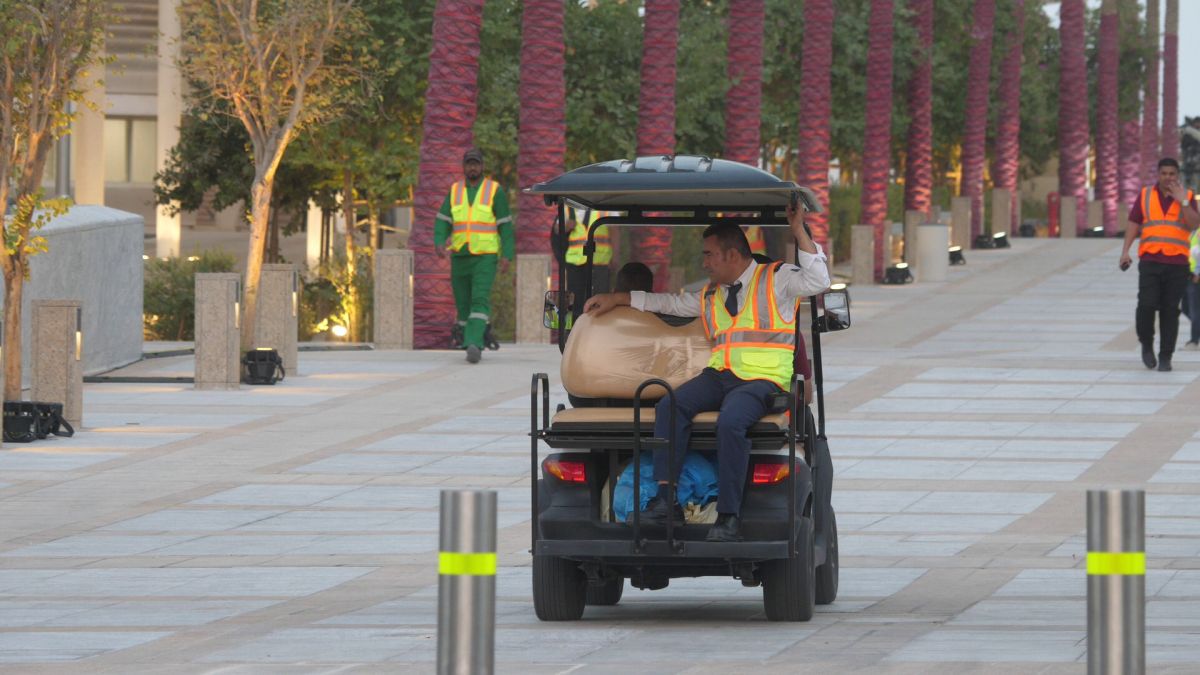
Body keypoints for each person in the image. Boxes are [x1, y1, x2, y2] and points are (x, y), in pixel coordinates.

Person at [584, 203, 829, 542]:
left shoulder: (777, 279)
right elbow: (668, 304)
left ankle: (728, 515)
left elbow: (819, 279)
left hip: (763, 380)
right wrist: (618, 298)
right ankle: (665, 499)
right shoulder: (711, 294)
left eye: (709, 255)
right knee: (670, 404)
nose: (704, 262)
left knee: (731, 420)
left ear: (731, 255)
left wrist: (799, 230)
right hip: (721, 375)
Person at [434, 148, 514, 364]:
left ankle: (474, 344)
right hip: (460, 255)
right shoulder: (455, 190)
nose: (472, 167)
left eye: (476, 163)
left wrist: (507, 254)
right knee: (462, 304)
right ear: (463, 166)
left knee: (479, 299)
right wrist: (439, 241)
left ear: (482, 166)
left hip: (485, 256)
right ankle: (467, 337)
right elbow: (443, 219)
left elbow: (505, 225)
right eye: (469, 163)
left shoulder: (494, 190)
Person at [1120, 157, 1200, 371]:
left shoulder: (1189, 196)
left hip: (1177, 263)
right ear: (1158, 174)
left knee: (1169, 311)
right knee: (1146, 305)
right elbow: (1134, 222)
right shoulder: (1145, 195)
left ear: (1177, 175)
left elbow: (1194, 224)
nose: (1168, 178)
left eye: (1172, 174)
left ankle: (1166, 356)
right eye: (1164, 173)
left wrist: (1182, 201)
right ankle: (1146, 343)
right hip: (1150, 261)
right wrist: (1125, 251)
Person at [562, 208, 613, 320]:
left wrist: (614, 257)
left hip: (599, 261)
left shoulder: (605, 208)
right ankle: (572, 330)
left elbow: (615, 230)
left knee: (599, 301)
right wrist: (566, 226)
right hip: (575, 261)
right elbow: (557, 230)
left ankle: (596, 329)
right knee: (575, 301)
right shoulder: (567, 206)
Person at [1184, 228, 1200, 350]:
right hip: (1188, 274)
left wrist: (1198, 272)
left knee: (1195, 310)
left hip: (1195, 275)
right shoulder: (1194, 231)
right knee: (1185, 307)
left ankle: (1194, 341)